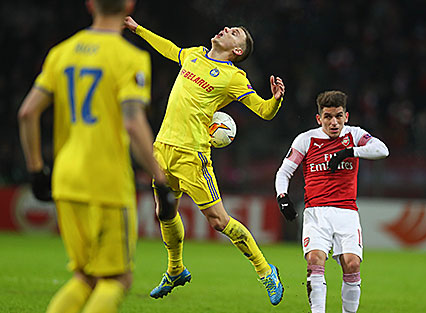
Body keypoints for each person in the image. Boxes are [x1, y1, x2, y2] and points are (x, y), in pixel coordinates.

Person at [17, 1, 173, 312]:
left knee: (84, 276)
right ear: (129, 5)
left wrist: (36, 170)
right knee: (117, 279)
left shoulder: (62, 52)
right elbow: (132, 121)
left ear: (90, 4)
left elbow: (27, 113)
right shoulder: (130, 57)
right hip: (106, 181)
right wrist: (160, 179)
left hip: (66, 177)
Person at [123, 16, 285, 305]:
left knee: (219, 221)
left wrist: (274, 100)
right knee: (164, 211)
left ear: (237, 50)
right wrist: (138, 29)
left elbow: (262, 111)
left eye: (234, 33)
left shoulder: (234, 77)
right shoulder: (195, 54)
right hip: (162, 148)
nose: (226, 29)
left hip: (192, 154)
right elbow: (169, 49)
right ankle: (176, 270)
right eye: (229, 27)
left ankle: (265, 270)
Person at [275, 90, 389, 313]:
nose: (334, 122)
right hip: (316, 213)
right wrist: (283, 197)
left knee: (352, 264)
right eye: (328, 116)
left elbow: (382, 150)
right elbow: (284, 172)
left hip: (346, 212)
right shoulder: (306, 139)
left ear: (346, 116)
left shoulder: (354, 135)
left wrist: (350, 152)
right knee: (315, 260)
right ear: (319, 119)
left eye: (338, 116)